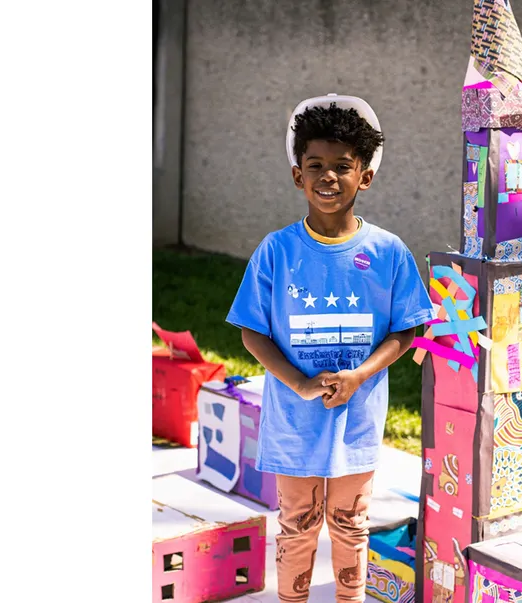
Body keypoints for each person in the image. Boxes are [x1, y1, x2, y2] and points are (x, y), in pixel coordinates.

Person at [226, 94, 433, 602]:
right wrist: (297, 382)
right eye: (315, 165)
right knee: (297, 525)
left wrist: (361, 375)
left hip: (357, 420)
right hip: (293, 423)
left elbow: (406, 330)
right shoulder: (276, 250)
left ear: (365, 176)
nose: (328, 177)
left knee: (350, 524)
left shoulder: (388, 252)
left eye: (343, 166)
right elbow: (252, 329)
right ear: (298, 175)